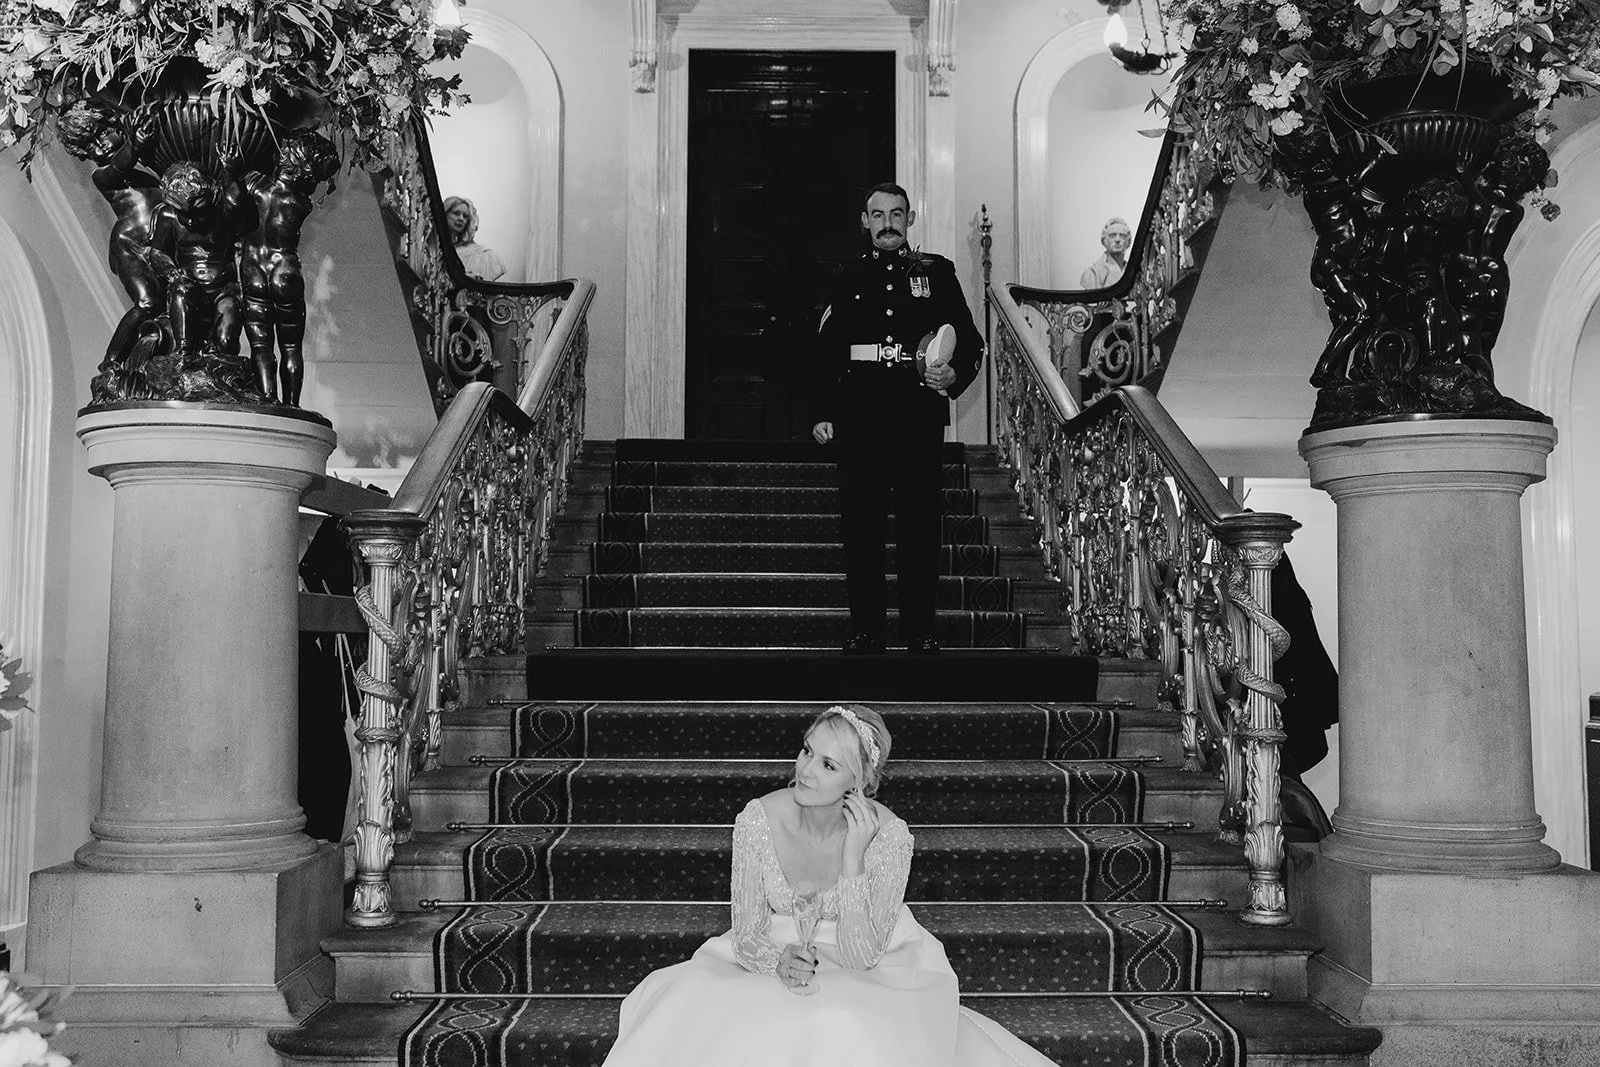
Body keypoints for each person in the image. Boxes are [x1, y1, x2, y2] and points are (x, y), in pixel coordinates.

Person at [601, 706, 1061, 1067]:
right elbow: (746, 932)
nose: (805, 770)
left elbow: (863, 956)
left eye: (827, 764)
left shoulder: (890, 836)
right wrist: (778, 960)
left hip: (872, 951)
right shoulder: (758, 819)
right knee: (722, 1013)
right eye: (806, 751)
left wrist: (852, 860)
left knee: (844, 1019)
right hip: (775, 946)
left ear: (859, 783)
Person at [811, 183, 982, 656]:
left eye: (897, 214)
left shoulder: (937, 272)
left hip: (918, 416)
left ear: (910, 219)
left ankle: (920, 632)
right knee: (861, 527)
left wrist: (953, 375)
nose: (888, 222)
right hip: (860, 416)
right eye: (878, 214)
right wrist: (823, 410)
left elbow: (971, 343)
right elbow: (828, 349)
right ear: (865, 221)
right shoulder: (847, 276)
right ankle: (867, 630)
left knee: (920, 529)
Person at [239, 131, 341, 406]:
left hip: (254, 269)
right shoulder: (301, 202)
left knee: (261, 345)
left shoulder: (256, 185)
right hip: (285, 269)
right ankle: (292, 405)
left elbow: (236, 190)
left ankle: (268, 399)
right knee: (291, 346)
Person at [442, 195, 507, 282]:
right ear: (444, 214)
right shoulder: (434, 249)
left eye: (465, 216)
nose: (461, 218)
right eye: (456, 213)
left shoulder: (483, 255)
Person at [1079, 216, 1132, 290]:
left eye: (1122, 236)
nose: (1117, 239)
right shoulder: (1093, 273)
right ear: (1105, 241)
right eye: (1112, 235)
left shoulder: (1133, 272)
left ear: (1128, 242)